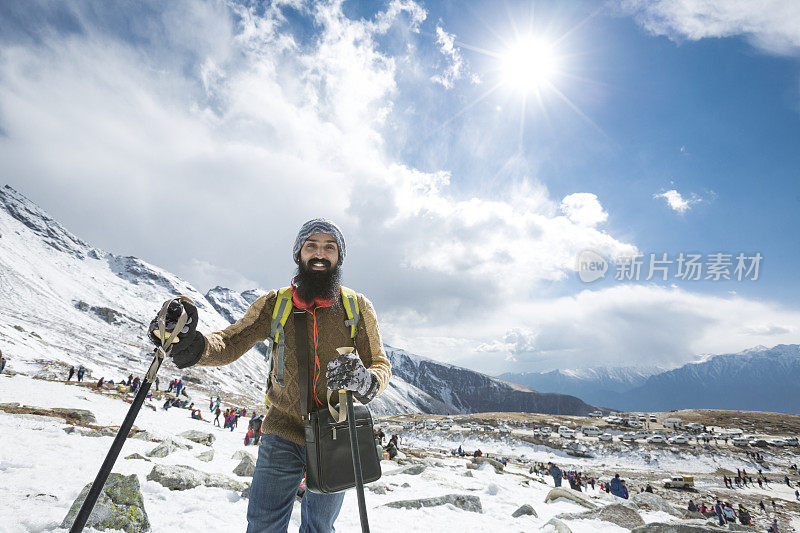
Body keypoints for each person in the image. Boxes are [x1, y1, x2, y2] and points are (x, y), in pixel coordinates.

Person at [146, 219, 391, 533]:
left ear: (338, 257)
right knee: (264, 524)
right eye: (311, 246)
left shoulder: (356, 307)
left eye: (329, 247)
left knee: (320, 527)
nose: (320, 253)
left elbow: (379, 364)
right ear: (299, 254)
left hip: (336, 431)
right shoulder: (275, 304)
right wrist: (195, 347)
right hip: (282, 431)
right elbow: (231, 341)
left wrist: (367, 381)